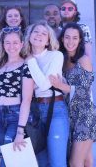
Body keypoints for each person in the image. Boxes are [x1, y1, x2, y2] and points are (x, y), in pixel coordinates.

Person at [49, 23, 96, 167]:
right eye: (67, 37)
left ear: (80, 40)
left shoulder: (83, 60)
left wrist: (61, 86)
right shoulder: (60, 59)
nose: (70, 41)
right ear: (62, 39)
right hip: (69, 115)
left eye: (74, 38)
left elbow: (84, 92)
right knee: (86, 160)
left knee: (74, 163)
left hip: (85, 116)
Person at [24, 21, 69, 167]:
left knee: (57, 162)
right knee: (41, 162)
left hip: (55, 109)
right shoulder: (21, 56)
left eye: (44, 33)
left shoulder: (55, 56)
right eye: (36, 31)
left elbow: (44, 85)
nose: (39, 35)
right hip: (33, 112)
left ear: (48, 40)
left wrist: (31, 61)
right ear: (29, 36)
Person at [0, 27, 34, 166]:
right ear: (3, 44)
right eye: (7, 42)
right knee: (2, 153)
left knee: (10, 155)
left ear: (22, 44)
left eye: (15, 42)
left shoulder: (26, 66)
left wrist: (20, 130)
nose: (11, 46)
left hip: (15, 116)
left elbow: (27, 100)